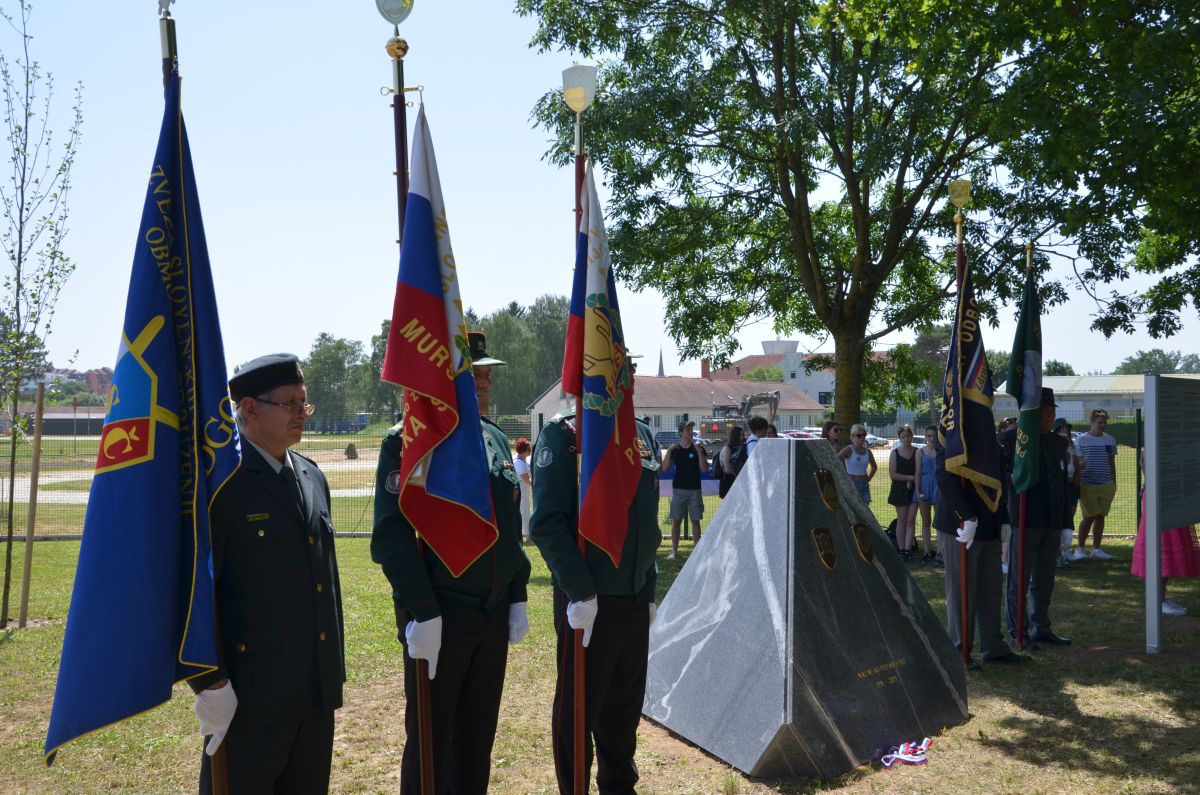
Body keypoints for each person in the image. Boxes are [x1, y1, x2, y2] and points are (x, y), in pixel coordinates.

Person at [371, 331, 531, 794]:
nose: (483, 384)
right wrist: (423, 611)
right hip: (441, 613)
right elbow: (392, 538)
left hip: (492, 615)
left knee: (477, 742)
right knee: (431, 744)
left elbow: (506, 529)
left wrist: (517, 595)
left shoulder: (494, 438)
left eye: (486, 376)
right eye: (471, 374)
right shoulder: (411, 441)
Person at [191, 353, 345, 794]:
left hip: (314, 690)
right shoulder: (222, 484)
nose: (301, 413)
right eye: (289, 403)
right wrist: (209, 681)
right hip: (250, 696)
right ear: (250, 408)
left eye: (304, 402)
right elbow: (197, 589)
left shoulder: (311, 475)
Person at [530, 409, 661, 795]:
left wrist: (648, 589)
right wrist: (580, 590)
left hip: (633, 597)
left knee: (623, 710)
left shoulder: (641, 433)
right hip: (590, 602)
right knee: (578, 712)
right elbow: (548, 523)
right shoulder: (565, 435)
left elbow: (647, 521)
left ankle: (619, 787)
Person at [934, 437, 1026, 669]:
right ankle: (960, 649)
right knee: (962, 590)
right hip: (961, 525)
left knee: (991, 589)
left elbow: (997, 482)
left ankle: (993, 647)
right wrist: (966, 516)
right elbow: (945, 478)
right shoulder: (953, 434)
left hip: (990, 525)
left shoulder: (989, 438)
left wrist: (1003, 518)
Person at [999, 387, 1072, 648]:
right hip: (1025, 519)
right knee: (1019, 579)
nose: (1051, 417)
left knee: (1044, 579)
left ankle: (1041, 626)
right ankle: (1018, 631)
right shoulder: (1010, 439)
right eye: (1045, 412)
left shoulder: (1058, 442)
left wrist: (1066, 524)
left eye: (1053, 412)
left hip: (1051, 520)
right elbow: (1001, 476)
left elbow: (1062, 484)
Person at [1132, 450, 1200, 616]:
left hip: (1170, 497)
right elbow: (1146, 467)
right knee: (1161, 547)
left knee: (1166, 548)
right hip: (1160, 499)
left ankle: (1160, 597)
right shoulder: (1155, 445)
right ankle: (1157, 600)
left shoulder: (1169, 444)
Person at [1074, 408, 1118, 561]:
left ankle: (1096, 549)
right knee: (1089, 516)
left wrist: (1113, 483)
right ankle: (1080, 549)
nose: (1102, 425)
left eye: (1104, 423)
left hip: (1106, 484)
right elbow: (1078, 463)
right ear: (1092, 422)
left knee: (1100, 516)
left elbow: (1112, 462)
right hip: (1087, 484)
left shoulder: (1110, 440)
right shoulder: (1081, 440)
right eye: (1100, 422)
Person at [662, 421, 708, 558]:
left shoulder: (698, 447)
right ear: (681, 432)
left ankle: (697, 554)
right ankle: (674, 551)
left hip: (695, 490)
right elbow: (665, 468)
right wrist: (669, 451)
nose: (691, 432)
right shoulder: (675, 450)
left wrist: (699, 451)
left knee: (695, 521)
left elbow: (704, 468)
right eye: (688, 429)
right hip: (678, 490)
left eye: (692, 429)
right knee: (676, 521)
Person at [1055, 418, 1083, 568]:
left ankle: (1065, 550)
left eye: (1067, 428)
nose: (1066, 430)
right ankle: (1058, 553)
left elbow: (1078, 465)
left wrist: (1076, 480)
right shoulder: (1055, 449)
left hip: (1071, 486)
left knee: (1069, 517)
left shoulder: (1073, 446)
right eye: (1063, 428)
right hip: (1060, 487)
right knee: (1059, 519)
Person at [888, 425, 919, 561]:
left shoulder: (918, 452)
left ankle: (908, 550)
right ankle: (901, 550)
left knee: (910, 521)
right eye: (903, 437)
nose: (906, 439)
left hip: (914, 490)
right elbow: (893, 474)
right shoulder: (894, 453)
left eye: (908, 436)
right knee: (901, 521)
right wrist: (909, 478)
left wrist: (915, 482)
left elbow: (920, 472)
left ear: (912, 436)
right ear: (899, 438)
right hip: (899, 490)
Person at [913, 425, 943, 565]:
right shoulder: (920, 452)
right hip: (924, 487)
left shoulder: (942, 451)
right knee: (926, 522)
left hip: (938, 488)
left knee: (939, 522)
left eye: (934, 435)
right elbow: (917, 473)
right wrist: (917, 491)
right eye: (929, 435)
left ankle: (939, 552)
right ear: (925, 436)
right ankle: (926, 551)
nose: (932, 438)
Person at [838, 424, 877, 506]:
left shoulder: (868, 451)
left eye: (864, 435)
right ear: (853, 437)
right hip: (852, 483)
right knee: (853, 508)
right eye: (859, 435)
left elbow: (874, 467)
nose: (862, 437)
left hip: (864, 484)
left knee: (865, 509)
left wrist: (869, 478)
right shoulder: (848, 449)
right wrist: (844, 476)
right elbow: (835, 461)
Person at [716, 425, 746, 499]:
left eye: (744, 435)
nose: (743, 437)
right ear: (736, 436)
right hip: (728, 483)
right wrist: (739, 475)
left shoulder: (739, 448)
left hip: (736, 482)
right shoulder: (727, 449)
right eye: (741, 435)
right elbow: (727, 469)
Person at [514, 437, 533, 541]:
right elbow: (526, 480)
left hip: (524, 491)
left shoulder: (522, 460)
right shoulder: (519, 463)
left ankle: (525, 532)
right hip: (522, 491)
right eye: (528, 449)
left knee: (525, 510)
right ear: (523, 451)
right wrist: (537, 485)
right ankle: (526, 533)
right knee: (524, 511)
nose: (530, 451)